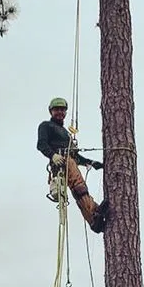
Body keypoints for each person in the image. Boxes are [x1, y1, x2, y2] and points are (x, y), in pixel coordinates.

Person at [36, 96, 108, 233]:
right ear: (51, 111)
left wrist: (91, 163)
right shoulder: (46, 126)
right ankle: (93, 214)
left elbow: (75, 156)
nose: (60, 112)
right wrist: (53, 155)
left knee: (78, 189)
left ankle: (93, 217)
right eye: (56, 109)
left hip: (70, 160)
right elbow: (41, 144)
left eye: (62, 110)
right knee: (79, 185)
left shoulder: (66, 133)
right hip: (61, 161)